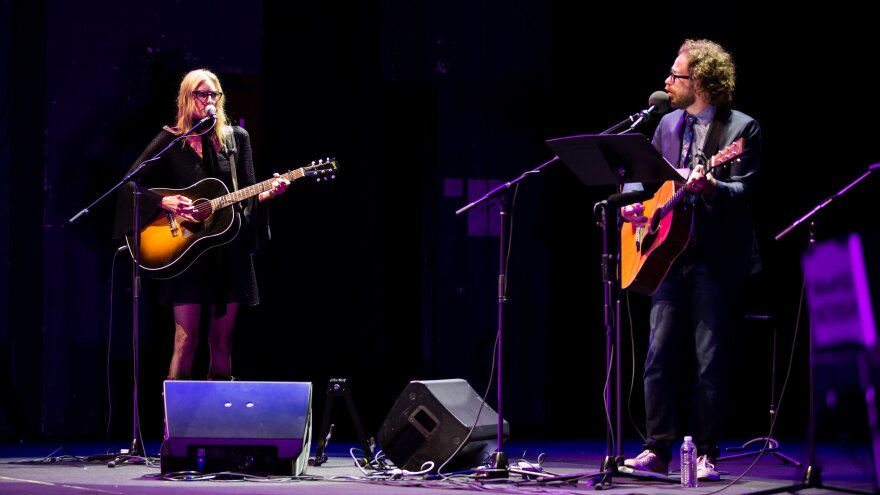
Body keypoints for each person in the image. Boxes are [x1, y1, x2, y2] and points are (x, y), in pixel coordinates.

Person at [620, 39, 762, 481]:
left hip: (713, 258)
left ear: (699, 81)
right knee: (658, 355)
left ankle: (705, 452)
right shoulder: (665, 124)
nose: (666, 83)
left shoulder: (741, 128)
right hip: (665, 254)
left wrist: (711, 187)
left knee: (709, 359)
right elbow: (643, 180)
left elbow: (745, 192)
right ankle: (657, 449)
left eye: (675, 76)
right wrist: (634, 206)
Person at [113, 68, 290, 381]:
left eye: (213, 95)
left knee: (221, 342)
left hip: (229, 250)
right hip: (188, 251)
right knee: (185, 340)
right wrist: (162, 201)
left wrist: (268, 193)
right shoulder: (171, 139)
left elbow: (247, 191)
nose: (208, 100)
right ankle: (175, 426)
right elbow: (129, 184)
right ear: (186, 97)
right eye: (201, 94)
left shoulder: (236, 139)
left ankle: (215, 423)